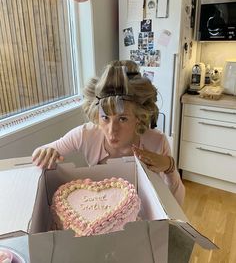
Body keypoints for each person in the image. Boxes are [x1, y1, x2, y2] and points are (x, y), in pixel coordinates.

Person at [32, 60, 185, 205]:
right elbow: (40, 153)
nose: (112, 130)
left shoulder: (156, 142)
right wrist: (45, 152)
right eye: (105, 117)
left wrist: (170, 167)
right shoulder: (86, 135)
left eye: (123, 119)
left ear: (139, 117)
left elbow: (177, 202)